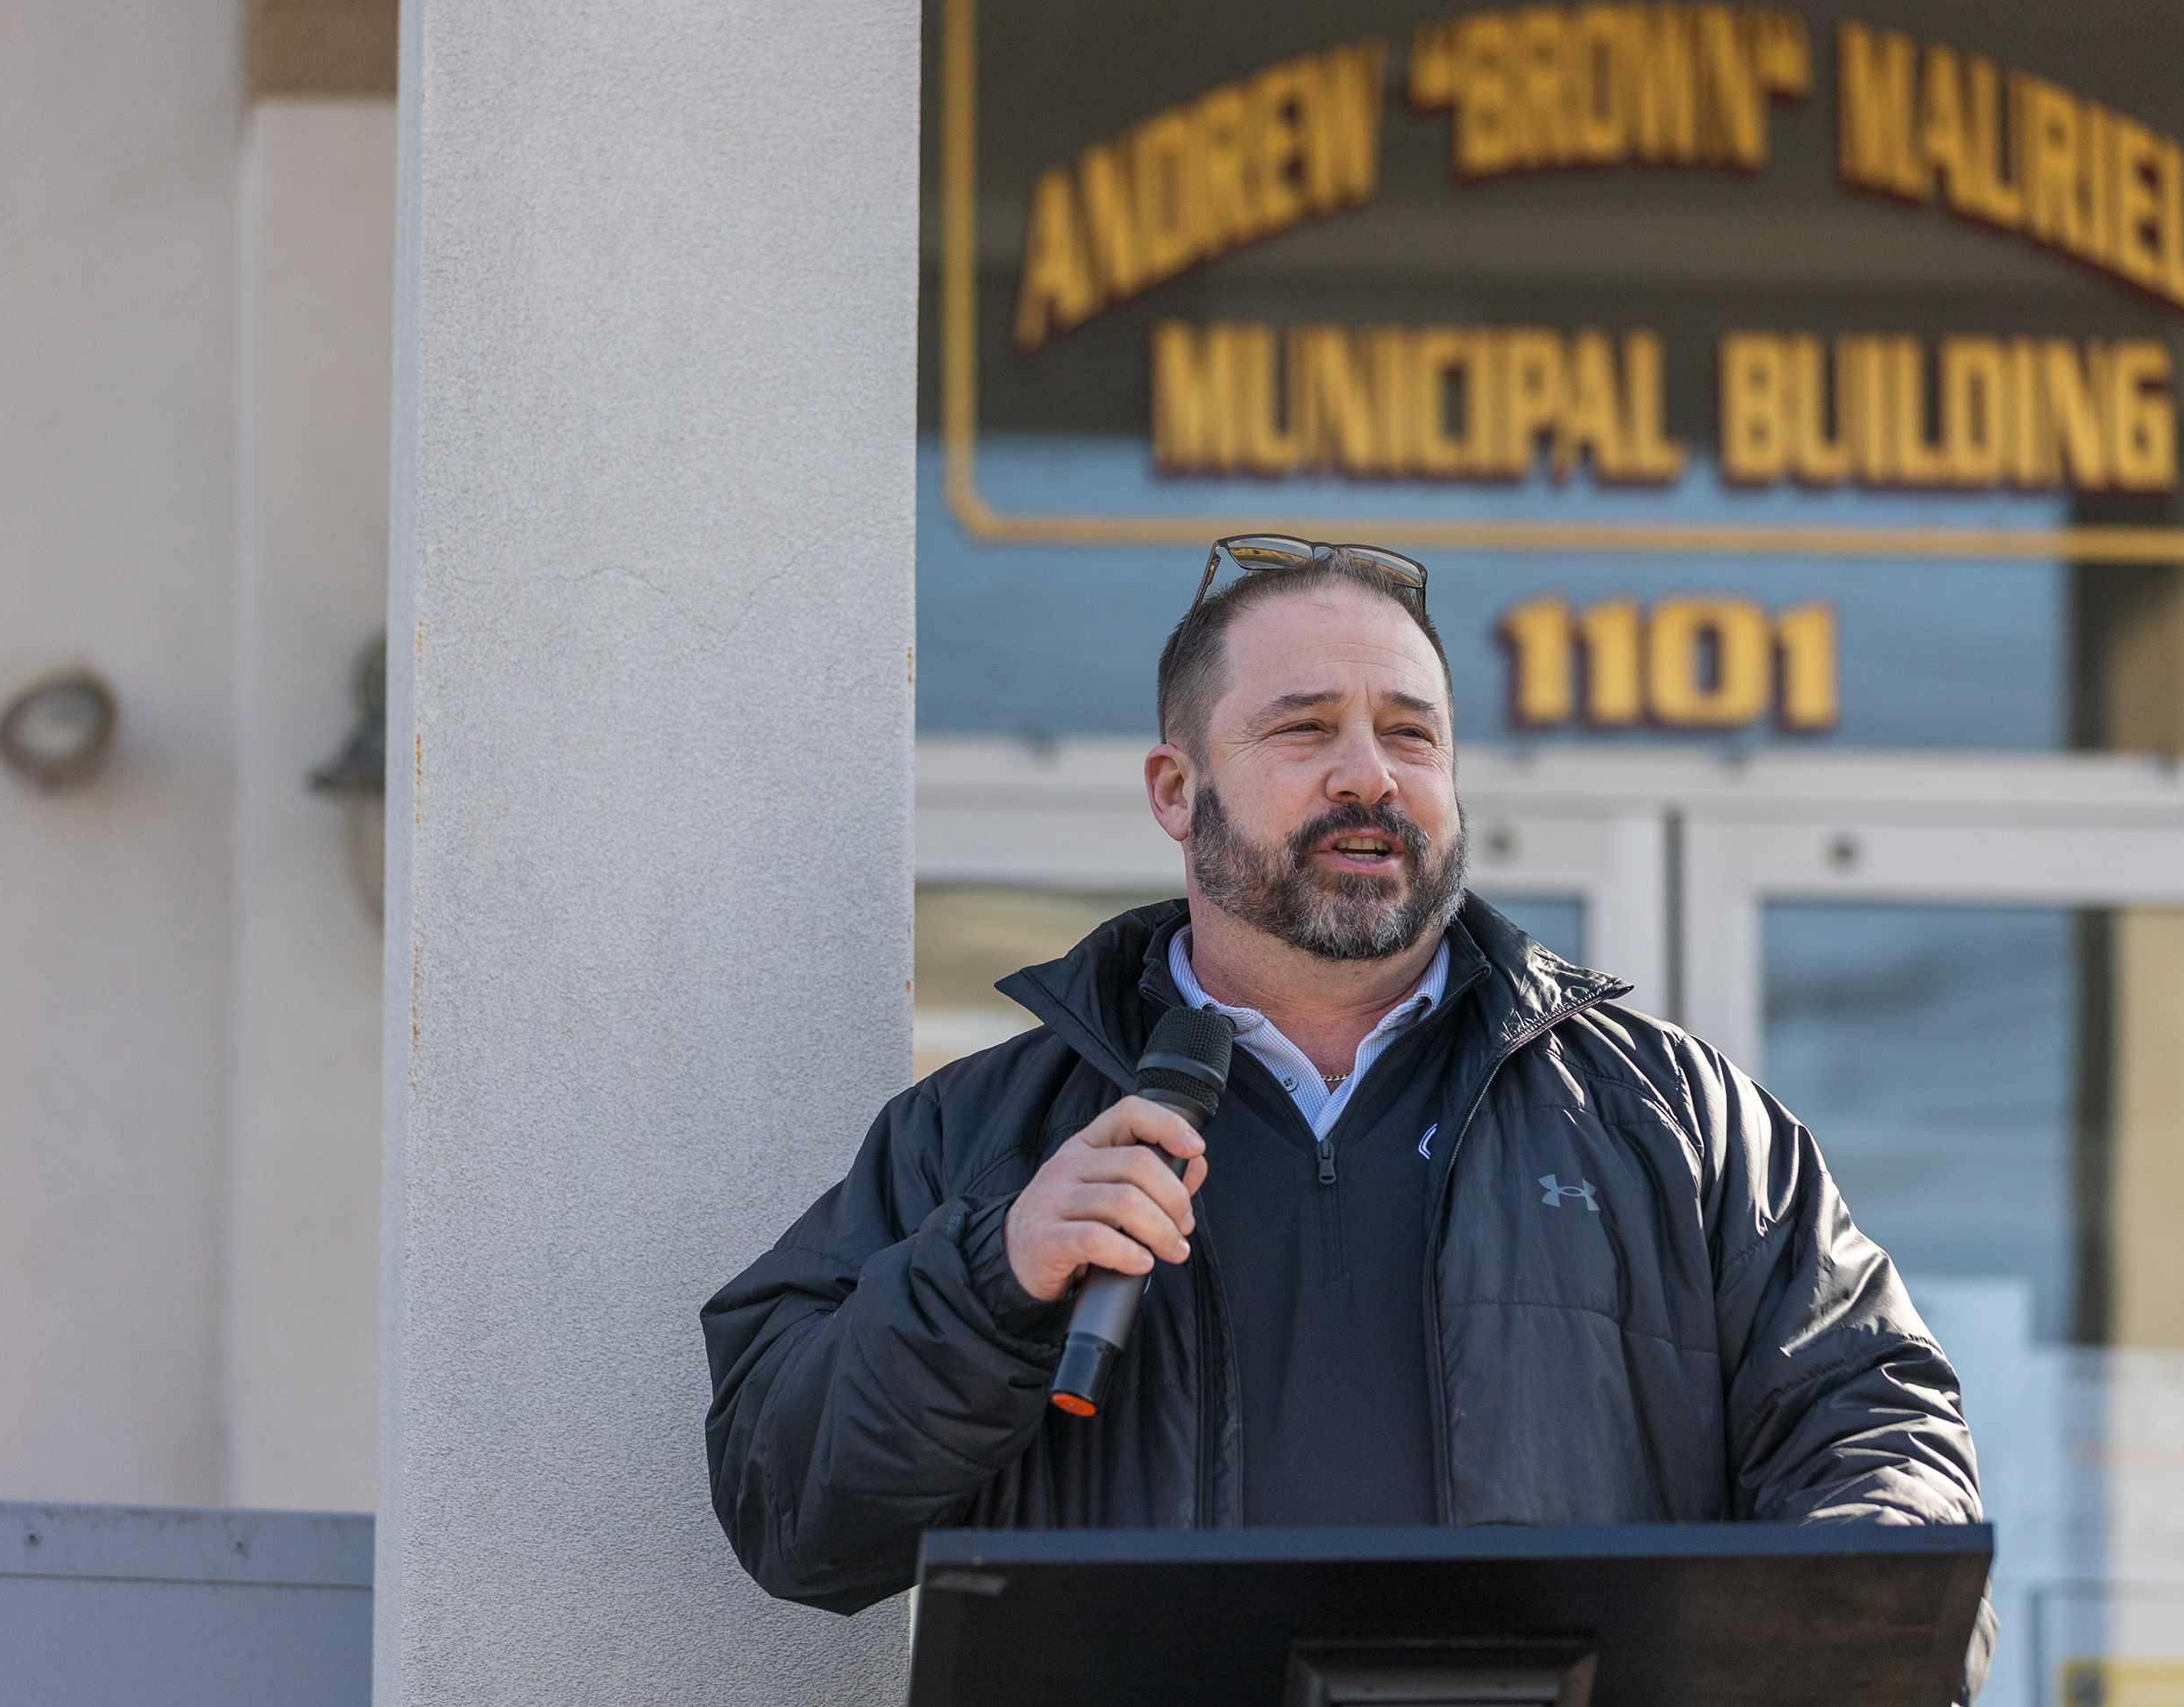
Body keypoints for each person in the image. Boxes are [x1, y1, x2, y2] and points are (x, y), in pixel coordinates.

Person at [702, 535, 1994, 1693]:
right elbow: (786, 1506)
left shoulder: (1682, 1127)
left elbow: (1882, 1438)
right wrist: (994, 1274)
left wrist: (1819, 1639)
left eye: (1411, 733)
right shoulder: (981, 1137)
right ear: (1174, 790)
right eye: (1304, 728)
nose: (1368, 777)